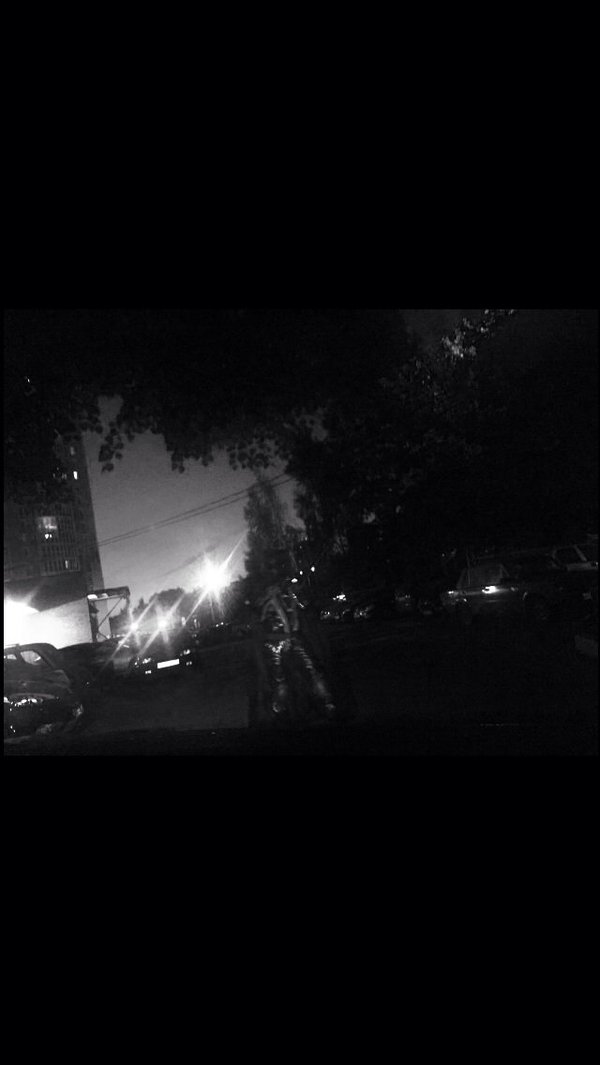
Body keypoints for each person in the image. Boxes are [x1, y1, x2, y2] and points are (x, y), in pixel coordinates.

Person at [254, 550, 337, 724]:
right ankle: (283, 708)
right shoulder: (271, 594)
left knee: (305, 671)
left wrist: (294, 603)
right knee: (284, 675)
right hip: (278, 639)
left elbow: (299, 610)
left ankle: (323, 703)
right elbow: (267, 614)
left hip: (287, 638)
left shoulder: (286, 592)